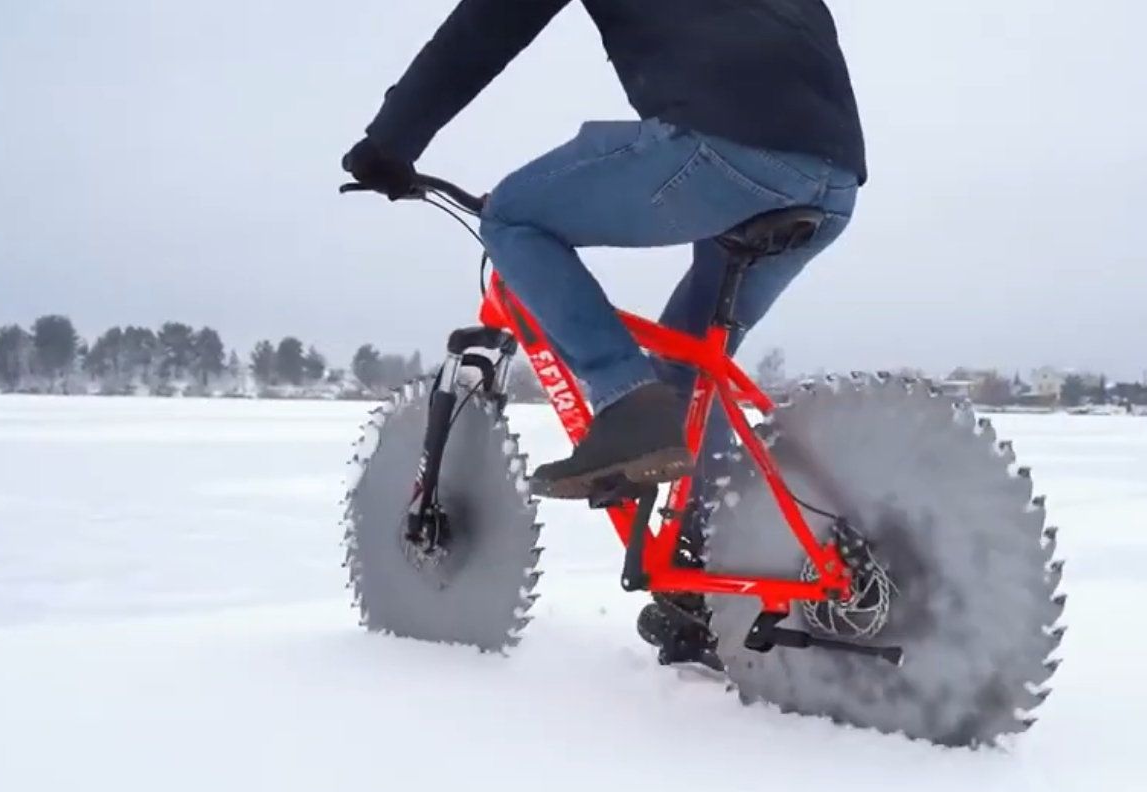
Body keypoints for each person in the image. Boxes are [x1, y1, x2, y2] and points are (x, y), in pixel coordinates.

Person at [341, 0, 867, 503]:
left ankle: (623, 395)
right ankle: (711, 549)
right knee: (686, 363)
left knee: (512, 216)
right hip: (834, 180)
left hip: (727, 152)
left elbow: (481, 32)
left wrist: (389, 144)